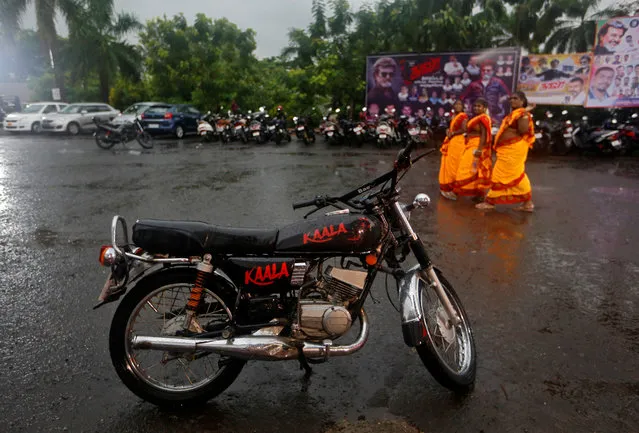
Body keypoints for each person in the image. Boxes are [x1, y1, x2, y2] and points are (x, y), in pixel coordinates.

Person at [476, 91, 535, 212]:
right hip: (508, 149)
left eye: (515, 98)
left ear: (522, 101)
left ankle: (490, 202)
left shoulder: (522, 115)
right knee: (518, 175)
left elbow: (523, 131)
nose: (512, 100)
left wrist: (523, 114)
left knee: (499, 174)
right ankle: (527, 203)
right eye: (511, 98)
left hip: (514, 149)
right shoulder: (516, 114)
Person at [453, 98, 492, 199]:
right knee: (474, 170)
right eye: (475, 106)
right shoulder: (476, 118)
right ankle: (478, 194)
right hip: (470, 144)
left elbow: (484, 135)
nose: (476, 108)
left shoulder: (483, 118)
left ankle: (456, 192)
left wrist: (479, 149)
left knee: (464, 168)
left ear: (484, 108)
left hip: (476, 146)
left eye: (479, 106)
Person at [460, 60, 511, 125]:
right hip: (476, 115)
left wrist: (503, 98)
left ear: (492, 71)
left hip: (494, 115)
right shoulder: (473, 84)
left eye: (488, 70)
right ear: (481, 72)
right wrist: (467, 106)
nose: (485, 72)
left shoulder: (498, 82)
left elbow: (508, 94)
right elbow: (463, 97)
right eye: (483, 70)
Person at [439, 100, 468, 200]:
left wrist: (453, 133)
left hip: (458, 142)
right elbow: (451, 128)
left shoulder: (463, 116)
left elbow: (464, 129)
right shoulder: (453, 116)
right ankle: (447, 187)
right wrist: (449, 131)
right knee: (448, 164)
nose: (457, 106)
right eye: (456, 104)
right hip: (452, 141)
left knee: (454, 165)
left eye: (460, 104)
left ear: (463, 106)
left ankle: (453, 189)